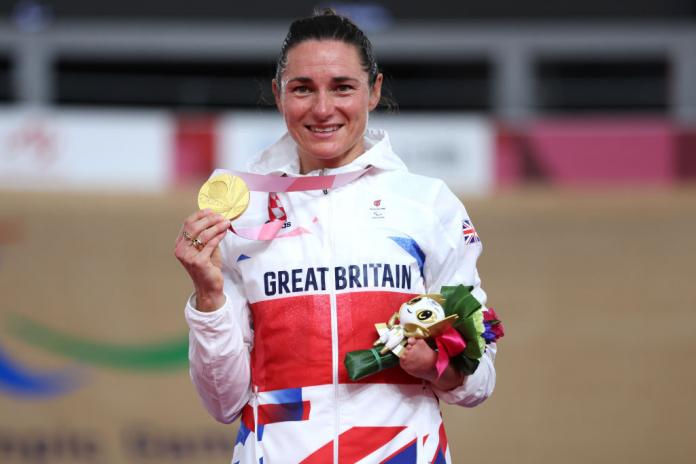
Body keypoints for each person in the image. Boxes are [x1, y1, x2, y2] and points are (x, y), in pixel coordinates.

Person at [175, 10, 498, 464]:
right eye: (303, 88)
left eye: (343, 87)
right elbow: (223, 403)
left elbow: (480, 379)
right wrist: (207, 296)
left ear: (375, 90)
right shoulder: (241, 212)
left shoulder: (427, 205)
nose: (323, 109)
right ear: (278, 94)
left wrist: (438, 366)